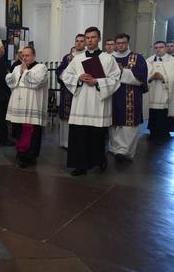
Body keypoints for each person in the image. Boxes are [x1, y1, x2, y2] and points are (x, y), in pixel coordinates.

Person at [61, 27, 120, 176]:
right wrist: (78, 78)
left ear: (99, 39)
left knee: (96, 136)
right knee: (79, 135)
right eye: (87, 38)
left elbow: (115, 79)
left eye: (93, 37)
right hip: (80, 102)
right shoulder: (77, 59)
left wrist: (97, 82)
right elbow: (65, 76)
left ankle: (99, 160)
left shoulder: (108, 59)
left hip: (98, 103)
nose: (90, 40)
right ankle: (80, 166)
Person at [5, 46, 48, 168]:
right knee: (18, 130)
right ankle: (20, 153)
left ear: (34, 55)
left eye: (27, 55)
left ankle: (31, 156)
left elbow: (38, 81)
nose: (24, 58)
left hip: (31, 106)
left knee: (31, 132)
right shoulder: (17, 67)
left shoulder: (41, 68)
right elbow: (11, 82)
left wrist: (25, 72)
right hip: (18, 106)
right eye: (23, 56)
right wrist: (14, 75)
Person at [108, 33, 148, 160]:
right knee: (114, 123)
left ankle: (125, 151)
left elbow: (141, 78)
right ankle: (114, 148)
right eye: (118, 43)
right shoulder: (109, 58)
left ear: (128, 43)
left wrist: (122, 71)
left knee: (128, 125)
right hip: (112, 95)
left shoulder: (137, 58)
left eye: (123, 43)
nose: (121, 45)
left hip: (130, 96)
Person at [146, 41, 174, 144]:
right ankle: (152, 133)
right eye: (156, 47)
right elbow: (144, 74)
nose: (158, 49)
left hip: (165, 92)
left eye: (161, 47)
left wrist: (164, 78)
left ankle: (162, 134)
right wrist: (150, 77)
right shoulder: (148, 60)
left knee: (162, 115)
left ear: (165, 48)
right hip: (152, 91)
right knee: (152, 114)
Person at [56, 34, 85, 148]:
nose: (79, 43)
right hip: (68, 91)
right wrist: (71, 79)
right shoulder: (67, 57)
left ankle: (79, 143)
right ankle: (66, 142)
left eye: (82, 41)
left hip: (83, 91)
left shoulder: (88, 56)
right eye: (77, 41)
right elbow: (60, 71)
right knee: (67, 116)